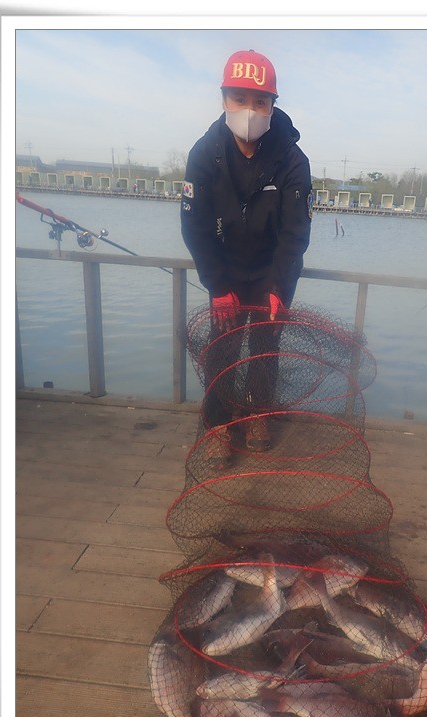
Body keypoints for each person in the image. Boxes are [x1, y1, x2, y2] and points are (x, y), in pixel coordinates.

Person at [180, 49, 313, 467]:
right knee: (223, 349)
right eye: (240, 99)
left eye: (260, 101)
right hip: (225, 271)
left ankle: (258, 416)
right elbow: (194, 225)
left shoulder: (293, 159)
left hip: (273, 271)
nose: (250, 110)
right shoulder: (204, 153)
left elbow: (295, 233)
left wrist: (279, 287)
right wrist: (217, 285)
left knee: (265, 348)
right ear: (224, 100)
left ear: (273, 105)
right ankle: (220, 424)